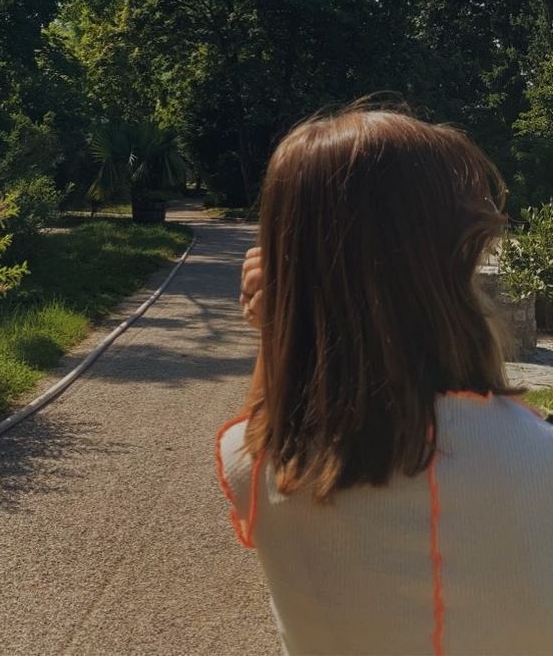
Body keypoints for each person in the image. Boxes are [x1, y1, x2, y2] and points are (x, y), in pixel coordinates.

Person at [215, 105, 553, 656]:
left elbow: (268, 424)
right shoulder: (538, 459)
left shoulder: (257, 464)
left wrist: (277, 328)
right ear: (456, 259)